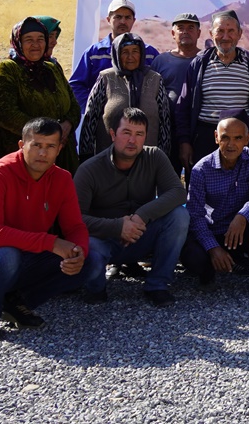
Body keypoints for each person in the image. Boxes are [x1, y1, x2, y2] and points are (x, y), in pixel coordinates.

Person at [0, 117, 88, 344]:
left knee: (88, 260)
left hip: (24, 261)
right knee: (7, 255)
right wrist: (52, 243)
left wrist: (79, 252)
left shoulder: (62, 178)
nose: (43, 153)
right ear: (22, 145)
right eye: (36, 145)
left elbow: (75, 227)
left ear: (59, 149)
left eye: (50, 146)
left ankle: (16, 303)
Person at [75, 108, 189, 306]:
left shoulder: (155, 156)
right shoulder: (90, 169)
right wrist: (118, 227)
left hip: (140, 236)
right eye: (126, 132)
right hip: (104, 240)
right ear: (113, 134)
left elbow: (178, 192)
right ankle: (95, 288)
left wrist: (141, 215)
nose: (132, 140)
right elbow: (75, 219)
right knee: (89, 245)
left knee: (179, 216)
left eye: (139, 134)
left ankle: (158, 285)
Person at [183, 114, 249, 298]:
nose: (231, 144)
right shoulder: (201, 169)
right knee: (192, 256)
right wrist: (213, 248)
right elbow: (195, 214)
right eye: (225, 137)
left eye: (238, 138)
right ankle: (209, 273)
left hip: (241, 231)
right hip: (215, 230)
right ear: (216, 137)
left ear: (247, 139)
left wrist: (243, 216)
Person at [175, 10, 249, 177]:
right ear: (211, 34)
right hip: (205, 140)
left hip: (242, 140)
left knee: (242, 189)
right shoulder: (199, 64)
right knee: (202, 188)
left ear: (239, 34)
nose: (225, 37)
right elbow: (183, 107)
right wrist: (184, 142)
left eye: (231, 31)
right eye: (220, 31)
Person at [0, 17, 81, 172]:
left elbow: (73, 105)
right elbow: (6, 114)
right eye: (29, 40)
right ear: (18, 42)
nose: (36, 44)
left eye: (40, 39)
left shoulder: (52, 67)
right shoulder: (8, 69)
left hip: (63, 153)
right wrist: (48, 134)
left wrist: (67, 125)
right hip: (30, 156)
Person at [78, 33, 170, 160]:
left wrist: (163, 158)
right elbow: (90, 120)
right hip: (108, 160)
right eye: (125, 52)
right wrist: (85, 156)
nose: (130, 57)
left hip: (148, 161)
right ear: (116, 54)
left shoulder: (155, 79)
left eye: (135, 51)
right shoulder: (105, 78)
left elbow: (165, 123)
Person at [68, 0, 158, 110]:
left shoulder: (149, 53)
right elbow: (76, 85)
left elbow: (159, 84)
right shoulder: (94, 53)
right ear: (108, 19)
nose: (123, 22)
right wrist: (94, 108)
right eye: (118, 17)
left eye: (127, 17)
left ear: (133, 21)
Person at [151, 12, 201, 170]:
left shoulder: (207, 60)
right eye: (181, 28)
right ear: (173, 33)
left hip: (198, 131)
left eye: (191, 27)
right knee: (167, 178)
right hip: (167, 132)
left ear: (199, 33)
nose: (185, 31)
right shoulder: (161, 61)